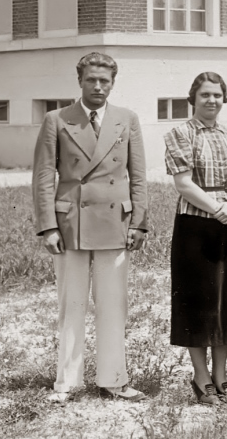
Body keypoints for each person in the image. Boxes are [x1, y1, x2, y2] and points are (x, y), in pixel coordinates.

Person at [31, 51, 148, 404]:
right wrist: (47, 226)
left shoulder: (127, 119)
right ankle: (67, 381)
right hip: (71, 225)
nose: (98, 86)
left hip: (116, 222)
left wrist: (140, 223)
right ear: (79, 81)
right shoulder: (57, 119)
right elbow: (42, 176)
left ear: (113, 83)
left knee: (114, 305)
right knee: (72, 304)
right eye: (91, 80)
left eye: (105, 81)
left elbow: (138, 175)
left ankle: (114, 379)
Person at [163, 72, 227, 406]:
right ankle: (201, 378)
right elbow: (184, 183)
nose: (211, 101)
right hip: (195, 227)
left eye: (217, 95)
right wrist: (219, 209)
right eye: (205, 95)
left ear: (223, 99)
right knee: (198, 304)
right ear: (193, 99)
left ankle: (221, 374)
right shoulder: (180, 134)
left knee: (226, 304)